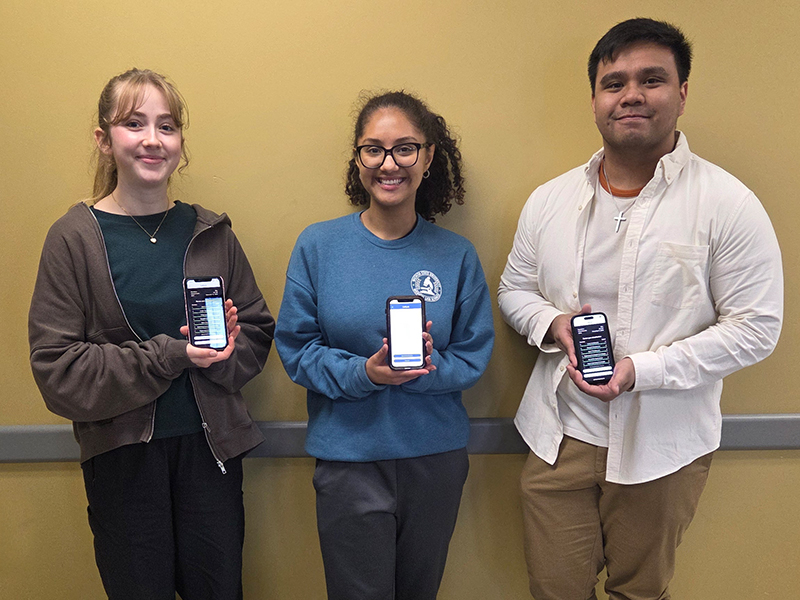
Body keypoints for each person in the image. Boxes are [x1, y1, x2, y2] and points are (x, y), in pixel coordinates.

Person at [498, 18, 783, 600]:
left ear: (681, 94)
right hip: (560, 435)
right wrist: (554, 325)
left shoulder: (726, 203)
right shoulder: (550, 200)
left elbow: (757, 329)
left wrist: (641, 372)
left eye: (652, 80)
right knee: (554, 592)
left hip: (663, 442)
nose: (631, 94)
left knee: (640, 594)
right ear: (596, 99)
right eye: (614, 82)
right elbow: (513, 290)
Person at [28, 68, 274, 600]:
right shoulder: (73, 238)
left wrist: (225, 352)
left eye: (167, 126)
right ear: (103, 139)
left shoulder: (212, 232)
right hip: (123, 460)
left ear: (180, 142)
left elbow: (255, 330)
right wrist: (171, 354)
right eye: (134, 123)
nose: (152, 139)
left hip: (211, 455)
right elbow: (57, 369)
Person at [274, 91, 494, 600]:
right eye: (373, 150)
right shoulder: (318, 246)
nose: (388, 163)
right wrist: (366, 374)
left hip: (434, 460)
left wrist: (424, 367)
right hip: (349, 460)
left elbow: (473, 354)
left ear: (429, 157)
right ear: (358, 159)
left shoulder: (456, 254)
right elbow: (296, 349)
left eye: (404, 149)